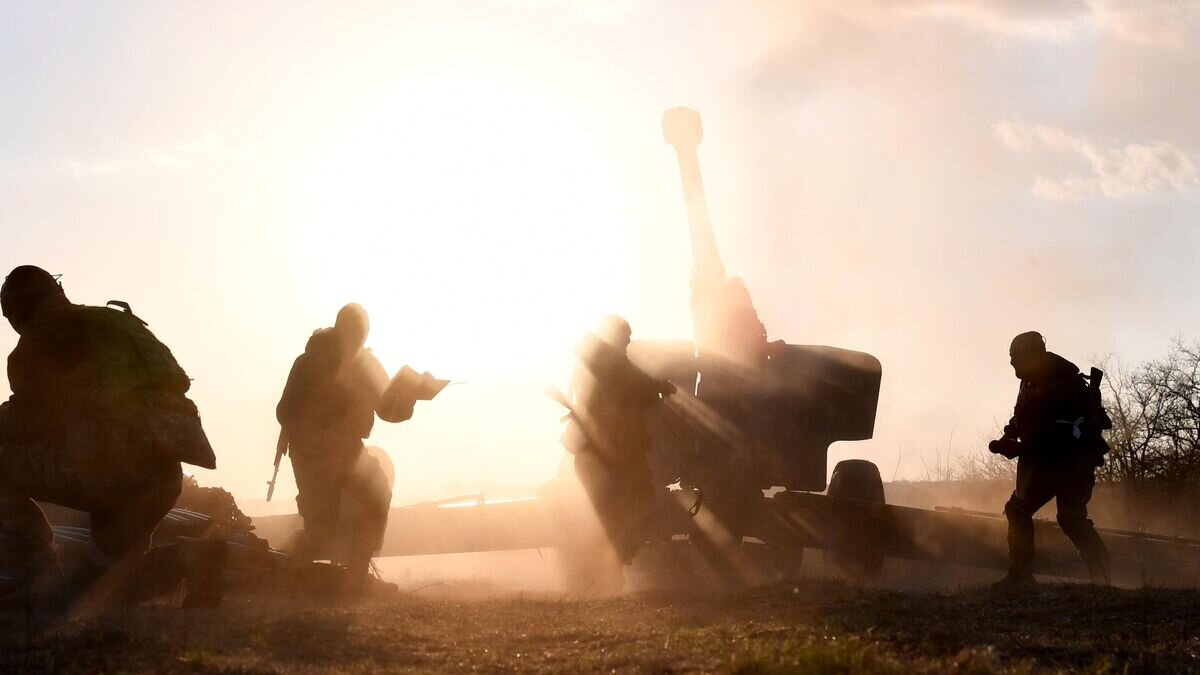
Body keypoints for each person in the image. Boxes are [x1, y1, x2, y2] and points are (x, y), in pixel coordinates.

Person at [0, 265, 221, 608]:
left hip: (107, 471)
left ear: (17, 310)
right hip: (161, 476)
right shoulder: (117, 322)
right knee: (104, 585)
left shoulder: (43, 338)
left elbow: (27, 421)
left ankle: (32, 572)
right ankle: (188, 560)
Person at [275, 303, 409, 594]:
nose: (358, 339)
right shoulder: (308, 362)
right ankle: (286, 576)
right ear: (340, 328)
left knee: (377, 494)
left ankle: (356, 577)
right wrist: (321, 423)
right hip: (312, 454)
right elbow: (285, 410)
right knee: (321, 528)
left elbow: (389, 409)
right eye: (355, 332)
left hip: (347, 450)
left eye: (362, 333)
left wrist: (410, 395)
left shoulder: (365, 364)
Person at [989, 331, 1111, 585]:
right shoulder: (1030, 381)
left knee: (1071, 519)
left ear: (1032, 355)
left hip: (1073, 462)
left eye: (1015, 357)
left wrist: (1021, 449)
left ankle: (1103, 581)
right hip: (1045, 460)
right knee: (1018, 510)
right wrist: (1010, 435)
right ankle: (1020, 574)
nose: (1011, 362)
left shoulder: (1067, 385)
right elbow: (1021, 416)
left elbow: (1062, 434)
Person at [561, 315, 675, 583]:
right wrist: (659, 386)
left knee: (609, 511)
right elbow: (633, 385)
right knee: (627, 505)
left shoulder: (593, 359)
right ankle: (609, 570)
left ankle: (605, 571)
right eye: (625, 337)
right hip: (615, 452)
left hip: (597, 451)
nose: (628, 343)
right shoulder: (611, 362)